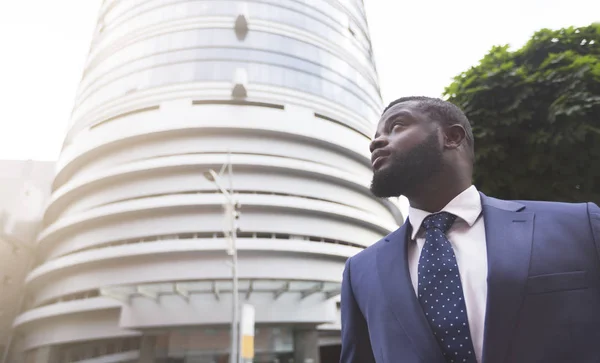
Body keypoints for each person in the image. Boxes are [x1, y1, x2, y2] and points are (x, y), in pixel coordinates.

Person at [340, 96, 600, 363]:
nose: (376, 142)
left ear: (451, 137)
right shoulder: (360, 271)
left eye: (396, 126)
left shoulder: (580, 226)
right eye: (376, 135)